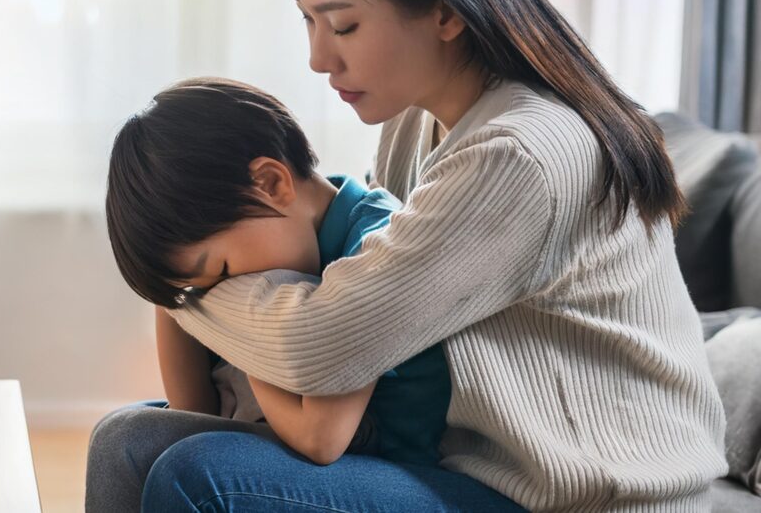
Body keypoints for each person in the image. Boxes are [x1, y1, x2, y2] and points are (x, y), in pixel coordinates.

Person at [88, 0, 728, 510]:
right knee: (126, 441)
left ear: (445, 10)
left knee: (203, 474)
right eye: (307, 20)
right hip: (474, 462)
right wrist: (184, 283)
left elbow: (325, 347)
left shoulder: (519, 156)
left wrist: (180, 292)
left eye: (343, 24)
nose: (316, 57)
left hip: (580, 494)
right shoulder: (415, 123)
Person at [91, 78, 519, 511]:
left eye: (220, 272)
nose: (226, 297)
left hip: (389, 465)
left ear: (273, 184)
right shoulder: (288, 236)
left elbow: (322, 439)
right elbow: (196, 410)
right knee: (122, 436)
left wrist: (247, 334)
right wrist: (179, 300)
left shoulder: (376, 248)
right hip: (327, 448)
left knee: (184, 465)